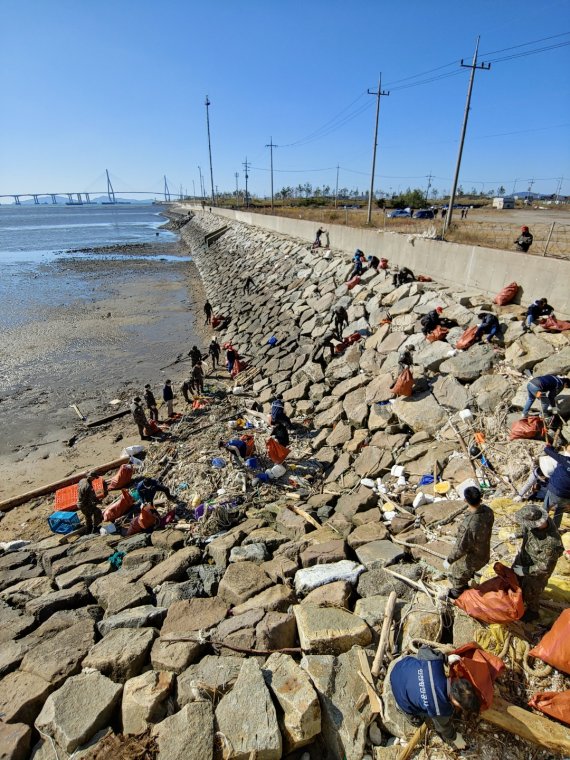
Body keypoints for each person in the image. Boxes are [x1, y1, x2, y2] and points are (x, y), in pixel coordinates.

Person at [385, 645, 478, 748]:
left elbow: (423, 650)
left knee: (419, 665)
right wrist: (454, 737)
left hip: (400, 667)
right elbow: (443, 728)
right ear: (455, 701)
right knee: (417, 722)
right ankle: (400, 708)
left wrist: (444, 658)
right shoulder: (440, 709)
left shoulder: (435, 663)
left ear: (456, 680)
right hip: (401, 695)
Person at [512, 505, 563, 622]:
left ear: (537, 524)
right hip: (525, 557)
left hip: (537, 571)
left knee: (531, 592)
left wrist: (525, 571)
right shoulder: (537, 521)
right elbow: (526, 528)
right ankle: (518, 597)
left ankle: (532, 611)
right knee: (516, 580)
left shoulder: (551, 543)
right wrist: (517, 534)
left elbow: (544, 567)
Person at [443, 486, 494, 599]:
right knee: (463, 569)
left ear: (465, 500)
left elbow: (460, 548)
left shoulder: (468, 524)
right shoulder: (488, 511)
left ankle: (458, 594)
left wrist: (449, 560)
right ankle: (468, 577)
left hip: (474, 557)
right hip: (484, 552)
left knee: (456, 574)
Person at [543, 444, 570, 528]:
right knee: (559, 513)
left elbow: (547, 451)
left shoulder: (565, 460)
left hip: (555, 490)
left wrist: (548, 447)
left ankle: (540, 527)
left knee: (544, 510)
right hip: (567, 496)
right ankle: (555, 531)